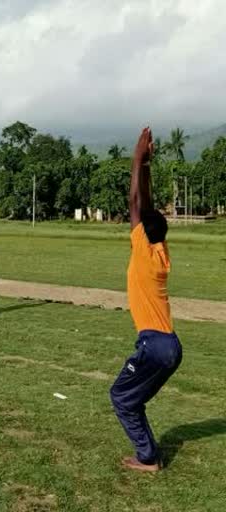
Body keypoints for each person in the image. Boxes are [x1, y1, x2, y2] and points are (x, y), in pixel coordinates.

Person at [109, 127, 183, 472]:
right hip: (169, 346)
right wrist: (148, 166)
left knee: (121, 397)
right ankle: (148, 453)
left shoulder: (142, 250)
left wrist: (137, 159)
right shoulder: (159, 251)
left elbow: (136, 203)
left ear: (142, 232)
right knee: (130, 399)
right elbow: (146, 207)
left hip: (154, 345)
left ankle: (148, 458)